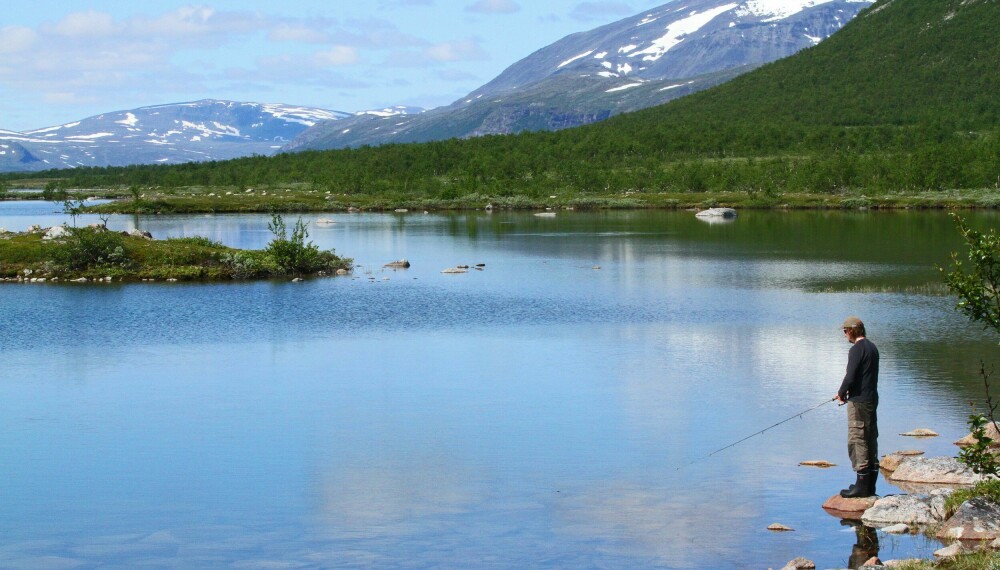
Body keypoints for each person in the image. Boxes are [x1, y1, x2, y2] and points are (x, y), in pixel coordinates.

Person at [835, 316, 880, 498]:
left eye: (845, 331)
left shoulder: (856, 350)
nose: (845, 335)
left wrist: (841, 392)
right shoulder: (872, 348)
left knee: (857, 439)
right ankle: (870, 486)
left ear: (852, 331)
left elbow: (851, 376)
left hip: (859, 402)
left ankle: (861, 486)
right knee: (870, 437)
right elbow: (863, 377)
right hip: (871, 399)